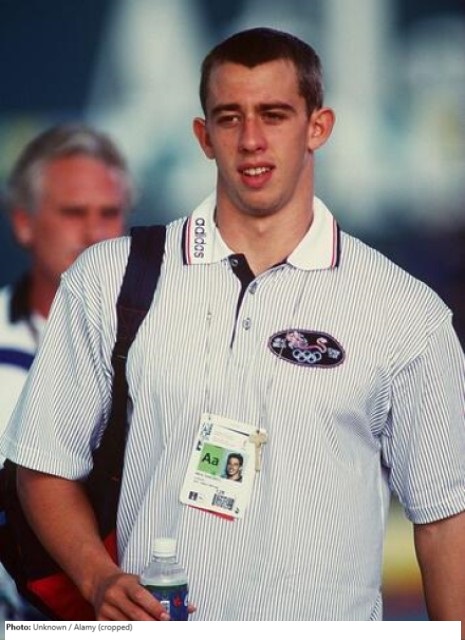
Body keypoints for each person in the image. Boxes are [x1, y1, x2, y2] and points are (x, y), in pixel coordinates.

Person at [1, 28, 464, 623]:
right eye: (229, 117)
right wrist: (98, 578)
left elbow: (445, 521)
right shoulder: (106, 278)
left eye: (274, 115)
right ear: (203, 135)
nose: (251, 140)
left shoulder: (406, 312)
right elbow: (43, 465)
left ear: (318, 127)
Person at [0, 123, 134, 618]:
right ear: (24, 223)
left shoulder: (168, 346)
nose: (95, 233)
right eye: (74, 213)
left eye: (110, 213)